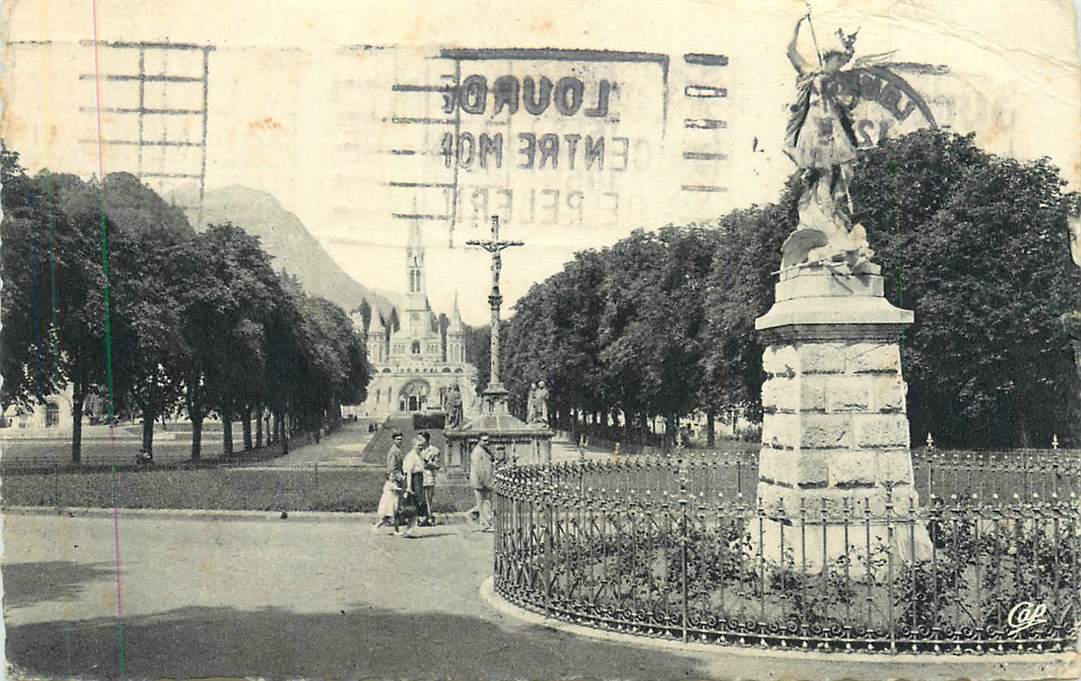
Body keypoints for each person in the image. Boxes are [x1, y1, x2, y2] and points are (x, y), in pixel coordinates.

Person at [401, 434, 428, 537]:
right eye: (418, 445)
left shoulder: (419, 455)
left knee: (416, 506)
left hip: (419, 480)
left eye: (422, 445)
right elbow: (409, 473)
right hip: (413, 482)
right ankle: (410, 529)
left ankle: (411, 529)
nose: (420, 447)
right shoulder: (411, 456)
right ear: (413, 445)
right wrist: (408, 487)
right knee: (414, 505)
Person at [469, 433, 495, 532]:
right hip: (481, 482)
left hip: (485, 480)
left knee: (484, 503)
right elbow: (479, 469)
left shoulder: (485, 450)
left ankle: (474, 515)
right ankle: (485, 525)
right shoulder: (477, 452)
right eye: (484, 440)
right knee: (484, 504)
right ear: (479, 441)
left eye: (488, 440)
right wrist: (486, 483)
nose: (487, 442)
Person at [420, 431, 441, 526]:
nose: (419, 441)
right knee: (421, 499)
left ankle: (429, 518)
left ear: (426, 439)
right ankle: (423, 517)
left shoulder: (434, 450)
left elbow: (437, 465)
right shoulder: (418, 450)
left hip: (429, 477)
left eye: (421, 439)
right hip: (419, 477)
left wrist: (427, 463)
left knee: (428, 498)